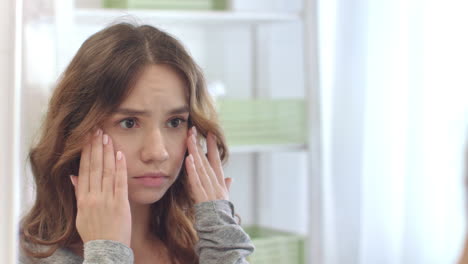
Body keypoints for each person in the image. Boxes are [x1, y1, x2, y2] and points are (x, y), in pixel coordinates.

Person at [18, 22, 254, 264]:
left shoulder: (204, 245)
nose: (157, 152)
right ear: (77, 129)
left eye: (174, 122)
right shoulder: (25, 254)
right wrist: (107, 252)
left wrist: (221, 245)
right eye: (129, 123)